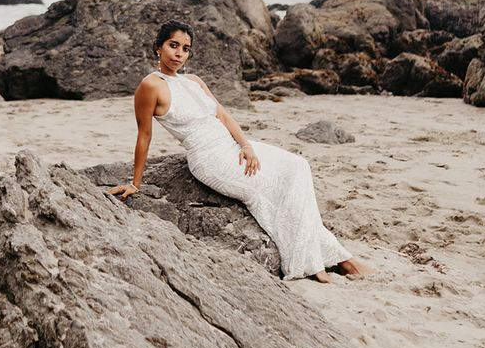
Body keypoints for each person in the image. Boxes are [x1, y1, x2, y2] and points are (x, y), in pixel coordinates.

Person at [108, 19, 370, 282]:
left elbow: (223, 115)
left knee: (298, 166)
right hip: (209, 158)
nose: (179, 54)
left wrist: (246, 146)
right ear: (158, 47)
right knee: (270, 191)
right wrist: (135, 183)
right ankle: (322, 263)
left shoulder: (194, 81)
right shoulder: (150, 86)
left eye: (185, 49)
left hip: (231, 146)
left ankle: (336, 257)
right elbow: (144, 136)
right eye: (173, 46)